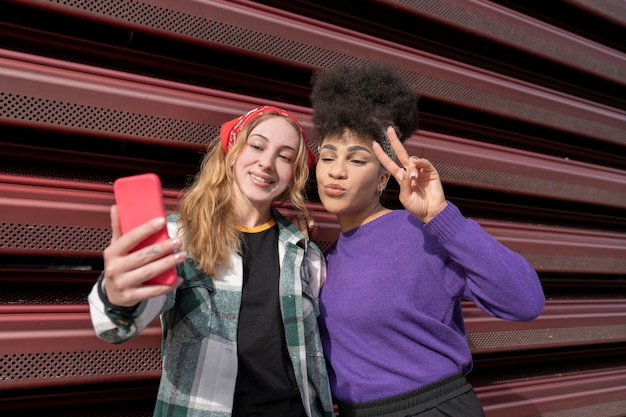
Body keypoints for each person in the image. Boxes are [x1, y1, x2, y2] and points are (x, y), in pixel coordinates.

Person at [310, 62, 545, 417]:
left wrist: (440, 216)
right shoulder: (324, 261)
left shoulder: (419, 232)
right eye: (328, 157)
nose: (337, 170)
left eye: (357, 160)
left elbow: (524, 301)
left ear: (382, 180)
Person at [88, 105, 334, 417]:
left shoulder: (306, 256)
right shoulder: (179, 236)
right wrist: (117, 298)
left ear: (293, 176)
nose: (267, 162)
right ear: (231, 151)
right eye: (256, 146)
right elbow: (116, 328)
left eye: (285, 157)